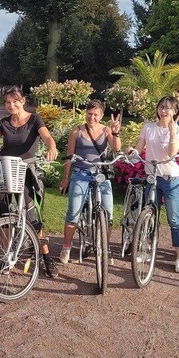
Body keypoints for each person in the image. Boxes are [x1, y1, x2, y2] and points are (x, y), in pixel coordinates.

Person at [0, 85, 60, 278]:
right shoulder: (4, 123)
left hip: (26, 173)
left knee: (34, 219)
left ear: (23, 101)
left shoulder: (34, 119)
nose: (11, 106)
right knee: (4, 217)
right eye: (8, 102)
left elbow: (47, 137)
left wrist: (52, 147)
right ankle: (7, 255)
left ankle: (46, 257)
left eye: (15, 102)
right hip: (5, 173)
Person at [58, 100, 122, 264]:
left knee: (108, 213)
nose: (92, 117)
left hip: (101, 173)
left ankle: (105, 248)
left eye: (95, 114)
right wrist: (66, 178)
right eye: (89, 114)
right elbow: (69, 157)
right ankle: (66, 247)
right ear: (85, 114)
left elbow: (116, 148)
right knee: (74, 211)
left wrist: (115, 133)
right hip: (81, 172)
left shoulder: (106, 130)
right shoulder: (77, 131)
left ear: (101, 116)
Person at [132, 95, 179, 274]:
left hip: (170, 179)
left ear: (175, 111)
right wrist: (132, 152)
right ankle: (147, 248)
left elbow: (172, 152)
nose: (164, 111)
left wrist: (171, 133)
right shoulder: (148, 128)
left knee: (174, 219)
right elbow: (139, 148)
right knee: (149, 215)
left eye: (168, 108)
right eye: (161, 107)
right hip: (152, 177)